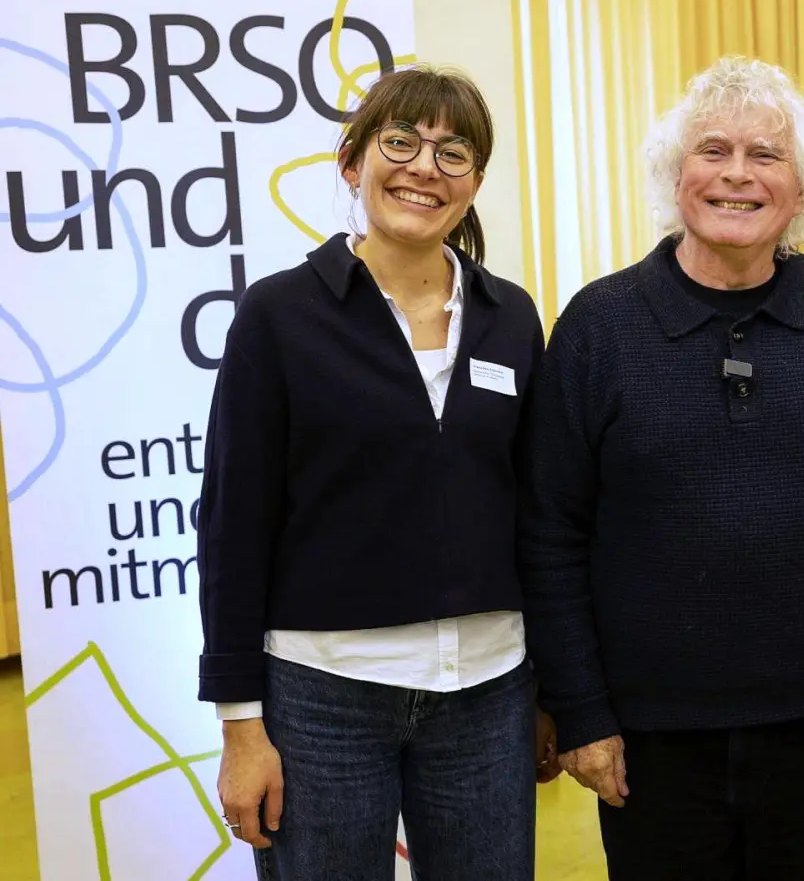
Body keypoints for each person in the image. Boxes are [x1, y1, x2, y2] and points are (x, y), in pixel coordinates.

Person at [526, 55, 804, 881]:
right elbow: (550, 533)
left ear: (801, 189)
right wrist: (582, 710)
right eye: (713, 150)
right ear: (675, 178)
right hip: (649, 742)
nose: (737, 174)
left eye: (765, 155)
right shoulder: (598, 327)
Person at [197, 66, 554, 880]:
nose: (425, 167)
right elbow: (232, 526)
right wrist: (240, 724)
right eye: (401, 142)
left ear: (474, 185)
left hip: (491, 691)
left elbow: (539, 513)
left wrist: (553, 688)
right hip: (324, 697)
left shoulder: (511, 318)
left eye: (453, 153)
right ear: (353, 161)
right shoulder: (280, 316)